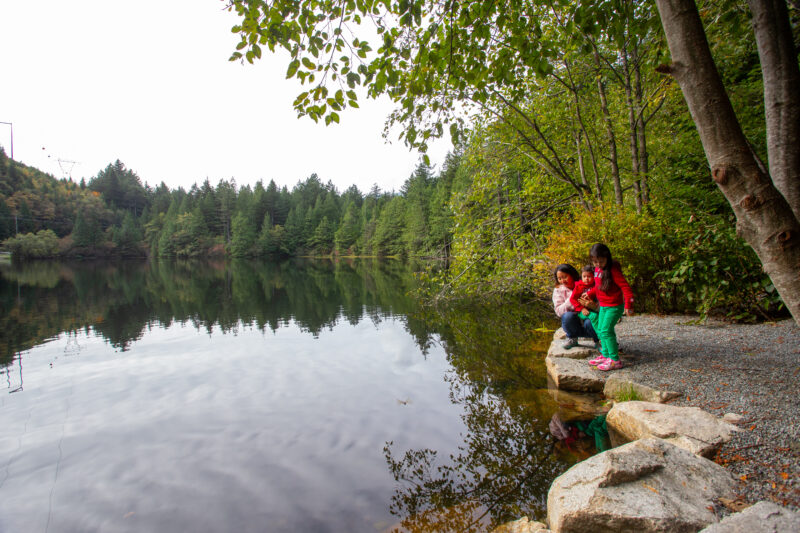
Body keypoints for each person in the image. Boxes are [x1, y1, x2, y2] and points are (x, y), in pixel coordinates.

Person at [583, 243, 634, 371]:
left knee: (606, 330)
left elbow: (625, 287)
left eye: (601, 261)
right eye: (595, 262)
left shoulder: (613, 270)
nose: (598, 264)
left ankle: (615, 360)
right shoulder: (598, 270)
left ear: (607, 258)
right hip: (604, 305)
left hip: (614, 306)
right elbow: (599, 286)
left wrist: (629, 304)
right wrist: (589, 293)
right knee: (600, 329)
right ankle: (605, 355)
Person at [552, 264, 599, 350]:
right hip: (574, 324)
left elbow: (603, 305)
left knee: (590, 320)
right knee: (567, 316)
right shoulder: (558, 290)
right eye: (559, 278)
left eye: (565, 277)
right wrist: (573, 297)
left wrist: (593, 306)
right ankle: (572, 339)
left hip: (589, 321)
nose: (562, 281)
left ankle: (598, 341)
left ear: (572, 275)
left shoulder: (587, 284)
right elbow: (558, 311)